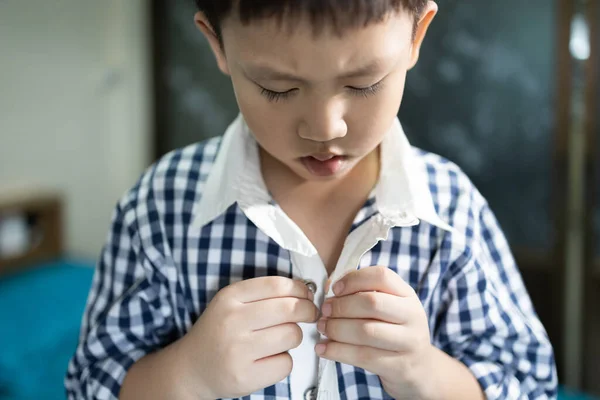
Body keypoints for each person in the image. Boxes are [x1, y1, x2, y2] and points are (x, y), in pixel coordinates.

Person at [65, 1, 558, 399]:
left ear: (416, 35)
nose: (326, 128)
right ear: (215, 42)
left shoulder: (451, 211)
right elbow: (91, 383)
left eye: (363, 83)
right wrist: (187, 376)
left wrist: (422, 370)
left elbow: (530, 384)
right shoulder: (159, 208)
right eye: (277, 88)